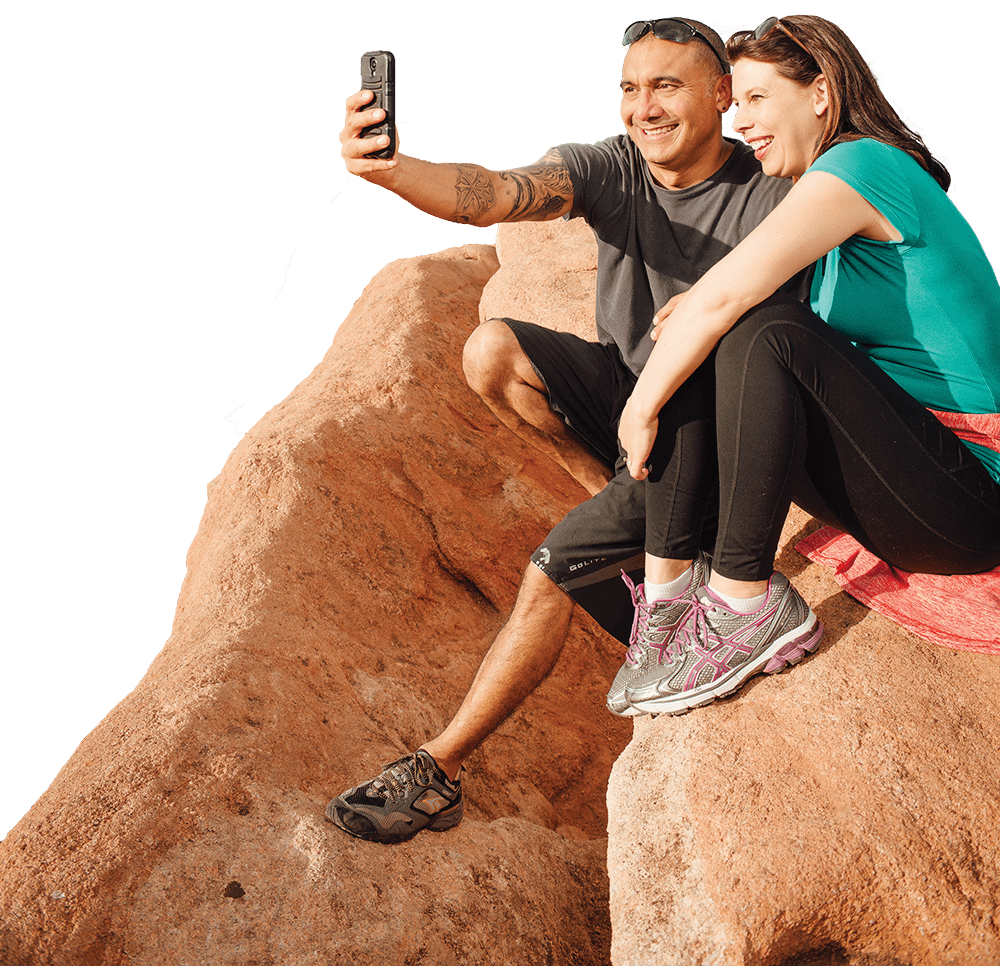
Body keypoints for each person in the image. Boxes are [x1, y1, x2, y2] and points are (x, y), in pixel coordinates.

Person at [325, 18, 815, 844]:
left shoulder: (772, 179)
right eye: (629, 87)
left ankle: (437, 771)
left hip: (719, 417)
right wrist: (392, 169)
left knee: (551, 570)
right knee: (492, 351)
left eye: (666, 85)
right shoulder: (612, 166)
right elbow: (493, 189)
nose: (642, 107)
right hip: (634, 396)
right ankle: (630, 507)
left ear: (723, 94)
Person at [612, 14, 1000, 718]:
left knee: (762, 329)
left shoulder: (863, 165)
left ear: (820, 93)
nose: (743, 124)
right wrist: (701, 312)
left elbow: (732, 296)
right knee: (716, 336)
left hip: (972, 495)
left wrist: (639, 407)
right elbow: (715, 304)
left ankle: (741, 605)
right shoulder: (827, 204)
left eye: (759, 99)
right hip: (909, 480)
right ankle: (668, 604)